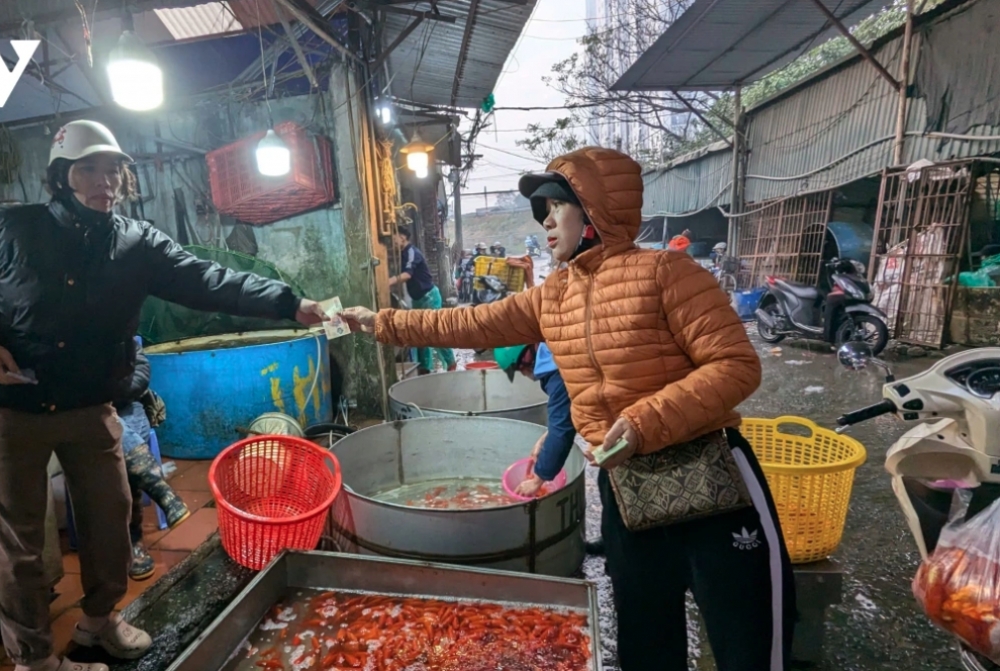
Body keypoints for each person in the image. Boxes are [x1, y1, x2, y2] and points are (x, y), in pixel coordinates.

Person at [341, 147, 795, 671]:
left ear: (595, 209)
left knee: (750, 646)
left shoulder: (668, 272)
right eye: (542, 211)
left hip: (711, 478)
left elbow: (736, 366)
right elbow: (468, 324)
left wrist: (643, 421)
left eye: (557, 206)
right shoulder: (551, 295)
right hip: (628, 489)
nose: (547, 221)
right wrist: (380, 323)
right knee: (646, 648)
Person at [0, 120, 327, 671]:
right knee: (17, 542)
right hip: (10, 405)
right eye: (88, 168)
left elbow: (208, 279)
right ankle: (34, 660)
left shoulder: (137, 241)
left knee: (113, 516)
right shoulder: (7, 226)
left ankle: (98, 623)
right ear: (62, 176)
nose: (104, 180)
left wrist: (289, 302)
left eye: (113, 168)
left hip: (90, 403)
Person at [494, 343, 603, 556]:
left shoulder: (558, 373)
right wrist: (546, 437)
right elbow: (571, 410)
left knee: (612, 486)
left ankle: (622, 559)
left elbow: (562, 431)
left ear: (527, 357)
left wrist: (538, 480)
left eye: (519, 369)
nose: (524, 374)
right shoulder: (553, 351)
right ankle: (611, 542)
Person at [116, 340, 187, 581]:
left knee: (124, 430)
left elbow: (141, 370)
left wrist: (113, 391)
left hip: (124, 403)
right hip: (85, 413)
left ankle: (132, 541)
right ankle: (160, 490)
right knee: (109, 427)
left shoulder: (114, 326)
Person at [390, 225, 456, 374]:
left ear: (402, 237)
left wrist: (388, 281)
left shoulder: (412, 252)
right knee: (420, 334)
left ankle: (450, 362)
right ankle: (425, 368)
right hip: (418, 300)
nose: (393, 242)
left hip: (429, 297)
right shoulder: (403, 254)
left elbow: (407, 274)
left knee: (434, 332)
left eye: (394, 239)